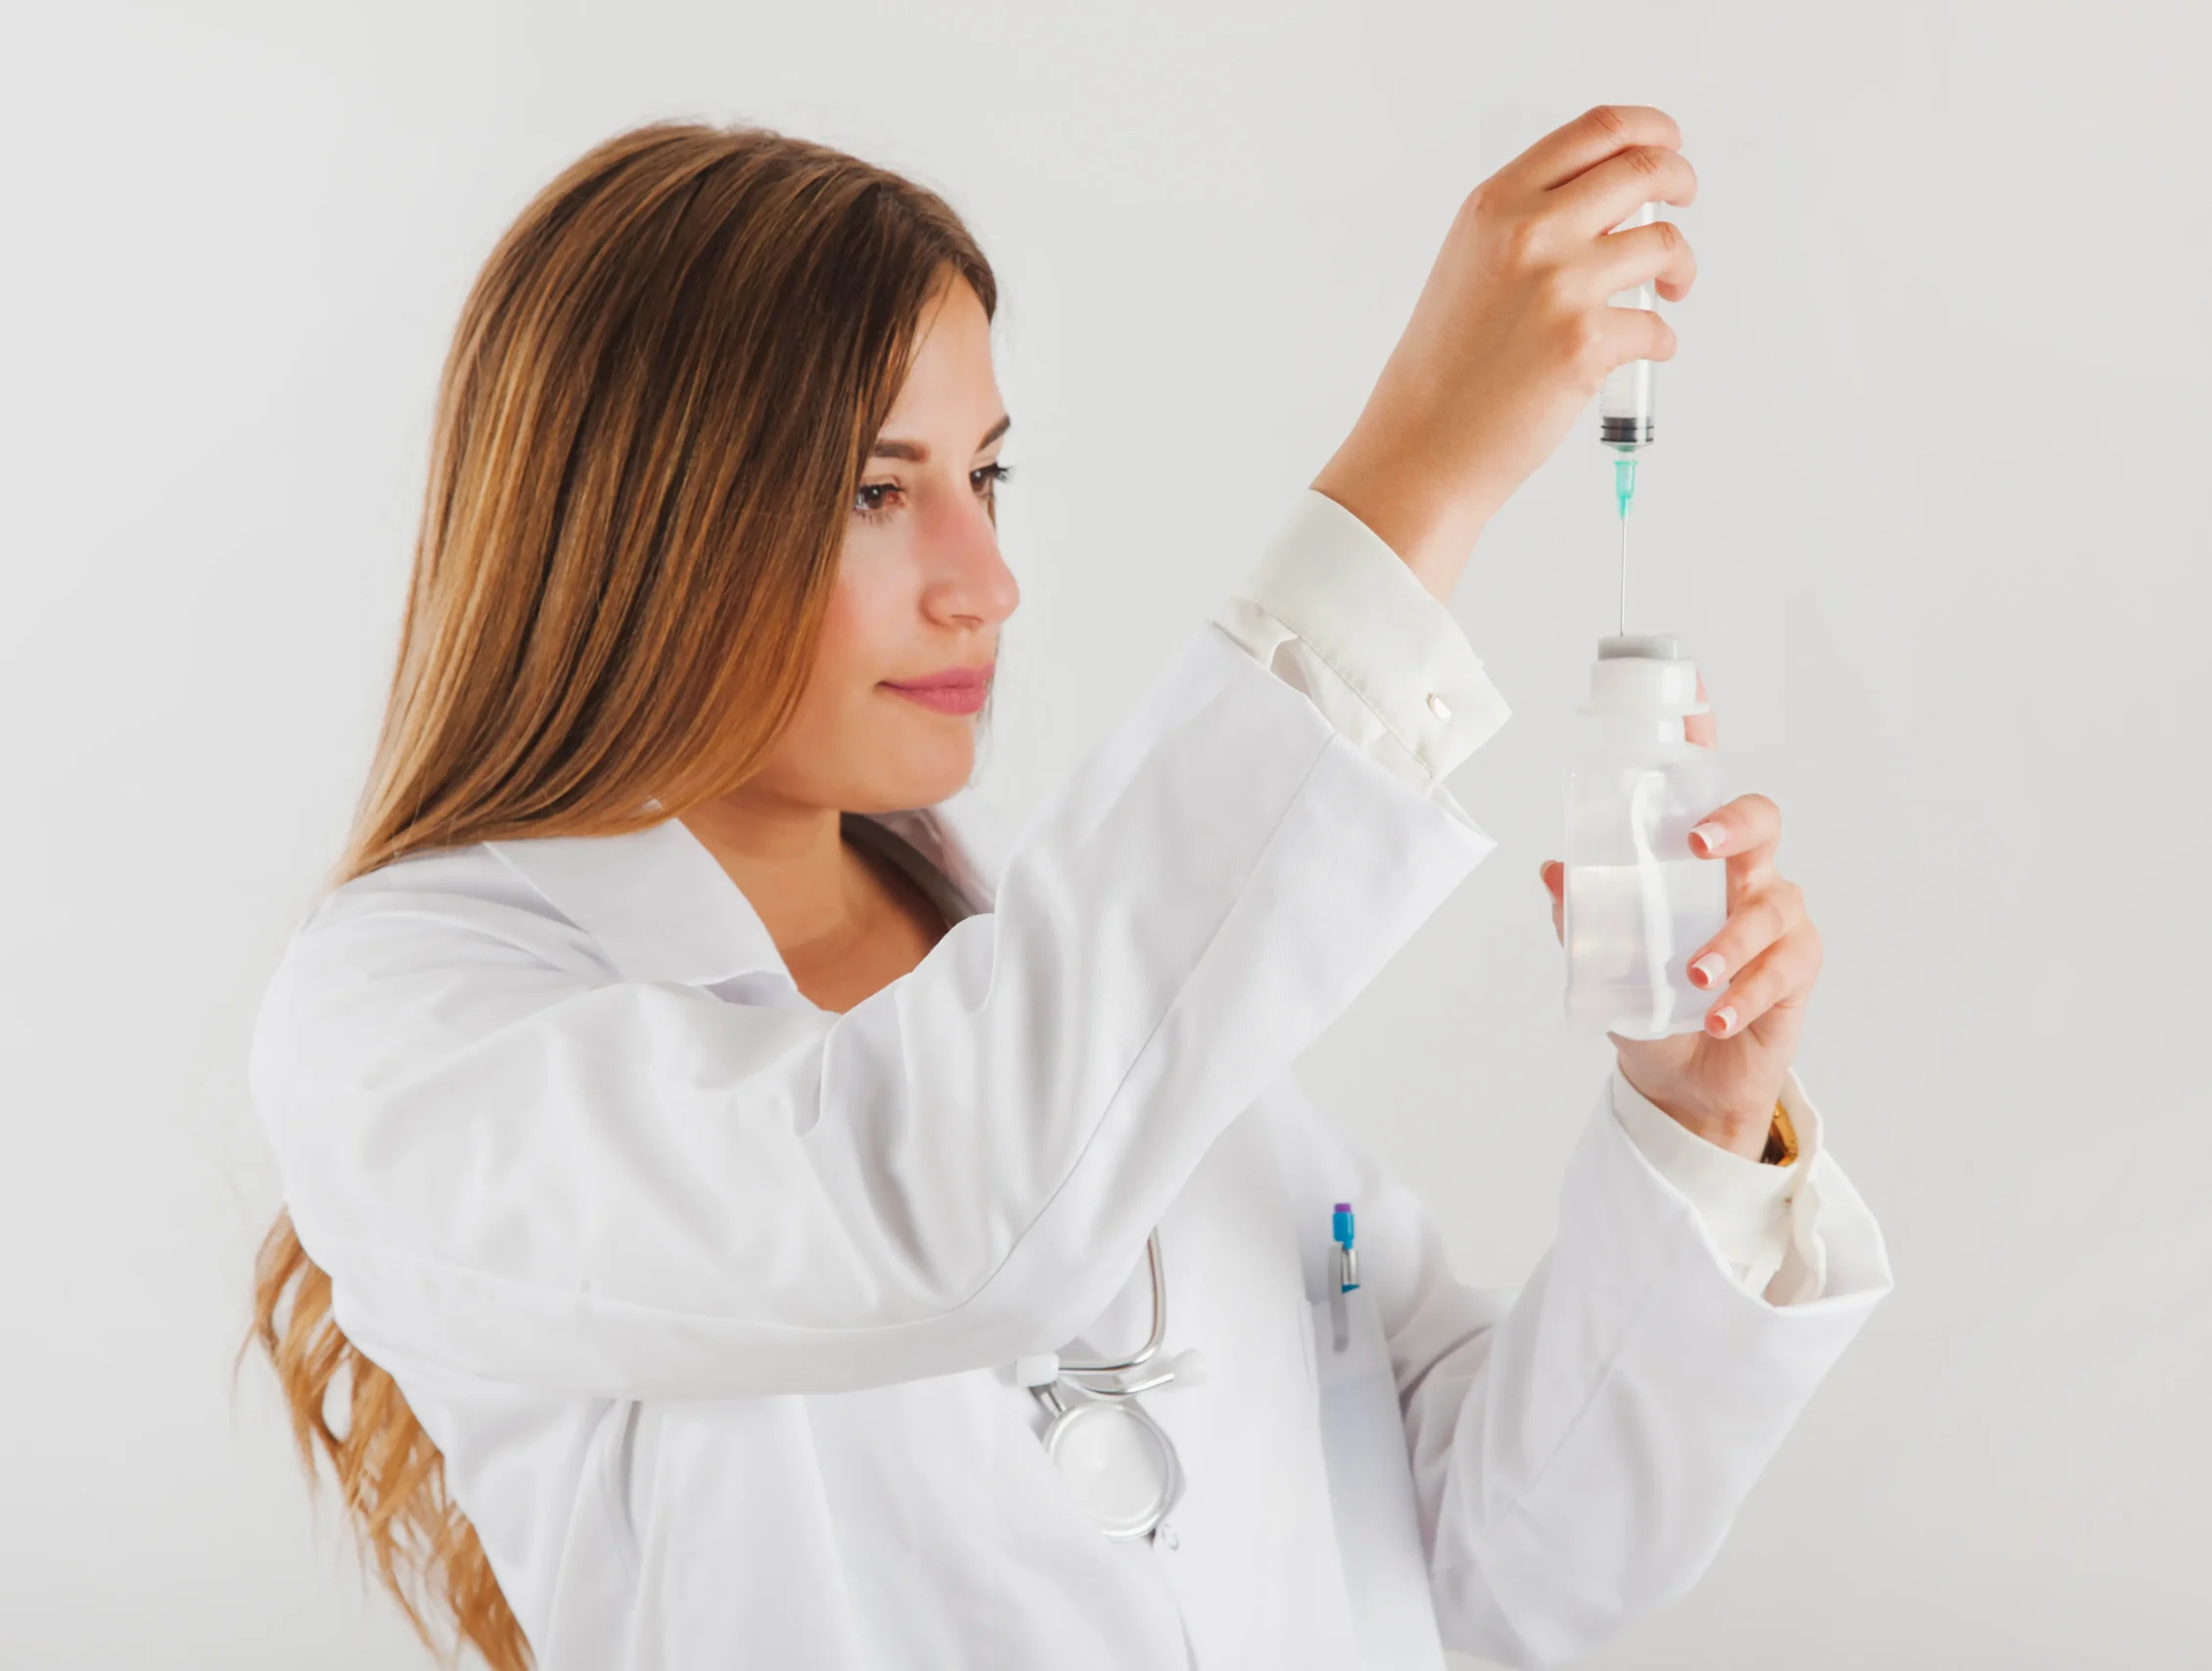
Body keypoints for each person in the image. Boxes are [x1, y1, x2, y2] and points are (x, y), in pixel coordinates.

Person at [247, 106, 1890, 1671]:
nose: (988, 582)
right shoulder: (408, 1022)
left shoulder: (1053, 959)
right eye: (877, 490)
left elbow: (1494, 1561)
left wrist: (1697, 1128)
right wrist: (1420, 476)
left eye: (988, 478)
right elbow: (944, 1211)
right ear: (639, 526)